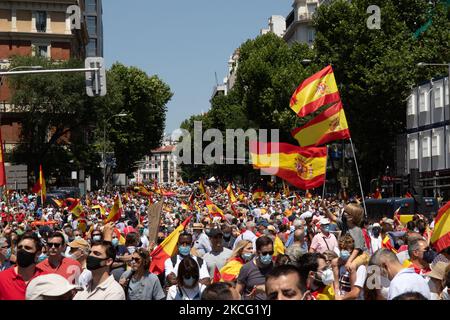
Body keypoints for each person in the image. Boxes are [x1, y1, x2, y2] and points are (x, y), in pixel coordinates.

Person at [0, 232, 47, 300]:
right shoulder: (2, 278)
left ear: (38, 253)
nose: (22, 250)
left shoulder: (46, 278)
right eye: (20, 247)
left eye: (27, 248)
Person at [236, 236, 274, 300]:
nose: (268, 256)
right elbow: (238, 292)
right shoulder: (247, 268)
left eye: (270, 253)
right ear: (258, 252)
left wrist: (264, 288)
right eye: (264, 253)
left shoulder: (276, 267)